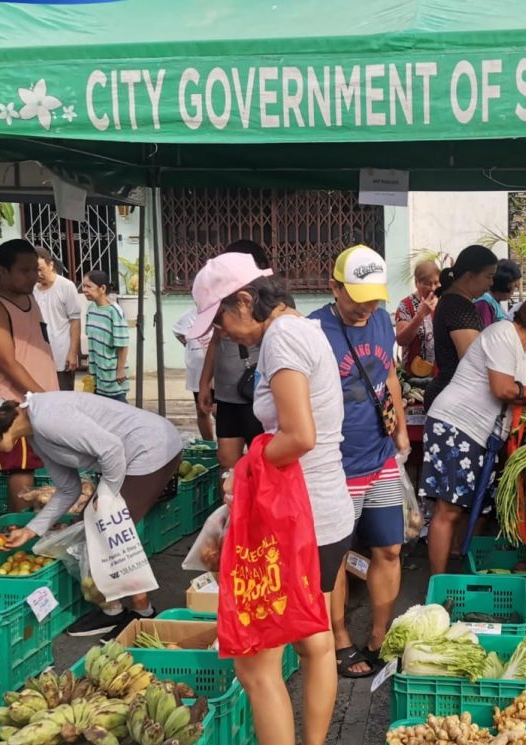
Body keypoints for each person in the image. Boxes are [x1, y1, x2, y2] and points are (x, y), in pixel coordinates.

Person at [188, 252, 354, 745]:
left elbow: (298, 436)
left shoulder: (281, 340)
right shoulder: (303, 329)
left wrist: (243, 468)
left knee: (256, 665)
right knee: (314, 639)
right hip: (325, 511)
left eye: (221, 320)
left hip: (296, 519)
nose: (222, 333)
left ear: (245, 299)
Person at [0, 388, 181, 639]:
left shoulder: (47, 418)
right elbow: (68, 489)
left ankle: (143, 612)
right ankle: (113, 609)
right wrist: (30, 530)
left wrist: (107, 497)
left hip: (151, 448)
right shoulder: (36, 434)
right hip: (130, 456)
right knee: (91, 527)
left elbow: (111, 449)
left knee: (109, 529)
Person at [423, 289, 526, 575]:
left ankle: (461, 571)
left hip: (482, 435)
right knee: (449, 510)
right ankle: (438, 584)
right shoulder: (502, 335)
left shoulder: (523, 346)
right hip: (456, 426)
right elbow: (504, 389)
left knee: (476, 509)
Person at [309, 246, 410, 678]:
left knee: (389, 547)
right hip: (335, 464)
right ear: (334, 287)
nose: (367, 307)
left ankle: (380, 637)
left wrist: (400, 429)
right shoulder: (312, 330)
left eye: (374, 298)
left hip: (381, 456)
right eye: (358, 298)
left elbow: (388, 376)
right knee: (333, 558)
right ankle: (340, 640)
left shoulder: (382, 319)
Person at [0, 238, 59, 510]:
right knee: (20, 469)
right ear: (2, 270)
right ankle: (18, 530)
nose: (34, 277)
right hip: (12, 402)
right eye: (24, 271)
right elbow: (9, 363)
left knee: (34, 467)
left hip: (37, 399)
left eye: (34, 270)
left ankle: (29, 530)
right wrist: (43, 398)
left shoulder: (28, 297)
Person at [197, 240, 269, 471]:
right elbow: (215, 341)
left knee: (261, 458)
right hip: (227, 393)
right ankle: (232, 504)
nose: (224, 330)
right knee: (228, 461)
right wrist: (204, 382)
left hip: (254, 392)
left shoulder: (271, 314)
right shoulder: (224, 308)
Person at [422, 245, 498, 412]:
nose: (491, 283)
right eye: (489, 276)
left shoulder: (451, 300)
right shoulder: (459, 306)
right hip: (453, 400)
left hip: (448, 393)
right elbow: (472, 361)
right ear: (470, 276)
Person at [34, 248, 81, 392]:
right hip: (38, 354)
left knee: (64, 396)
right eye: (34, 270)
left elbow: (75, 321)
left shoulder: (66, 286)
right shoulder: (32, 288)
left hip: (61, 353)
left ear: (51, 265)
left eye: (41, 269)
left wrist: (72, 353)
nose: (38, 274)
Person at [82, 271, 129, 402]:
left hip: (112, 375)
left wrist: (120, 370)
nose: (84, 290)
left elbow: (123, 345)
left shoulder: (114, 312)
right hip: (97, 374)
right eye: (83, 286)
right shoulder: (91, 308)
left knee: (118, 412)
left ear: (102, 288)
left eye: (88, 286)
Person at [173, 305, 214, 441]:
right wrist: (191, 347)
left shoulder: (219, 312)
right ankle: (210, 445)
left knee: (218, 410)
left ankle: (226, 445)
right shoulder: (187, 316)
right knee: (202, 410)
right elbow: (178, 333)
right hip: (198, 371)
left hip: (219, 372)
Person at [395, 259, 440, 377]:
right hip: (413, 376)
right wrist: (420, 315)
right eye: (428, 283)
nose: (433, 288)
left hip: (439, 374)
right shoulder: (406, 305)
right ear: (416, 283)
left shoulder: (443, 302)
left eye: (436, 283)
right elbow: (401, 340)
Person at [475, 258, 522, 328]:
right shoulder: (484, 303)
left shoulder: (494, 303)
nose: (517, 286)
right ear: (505, 281)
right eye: (515, 282)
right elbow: (486, 334)